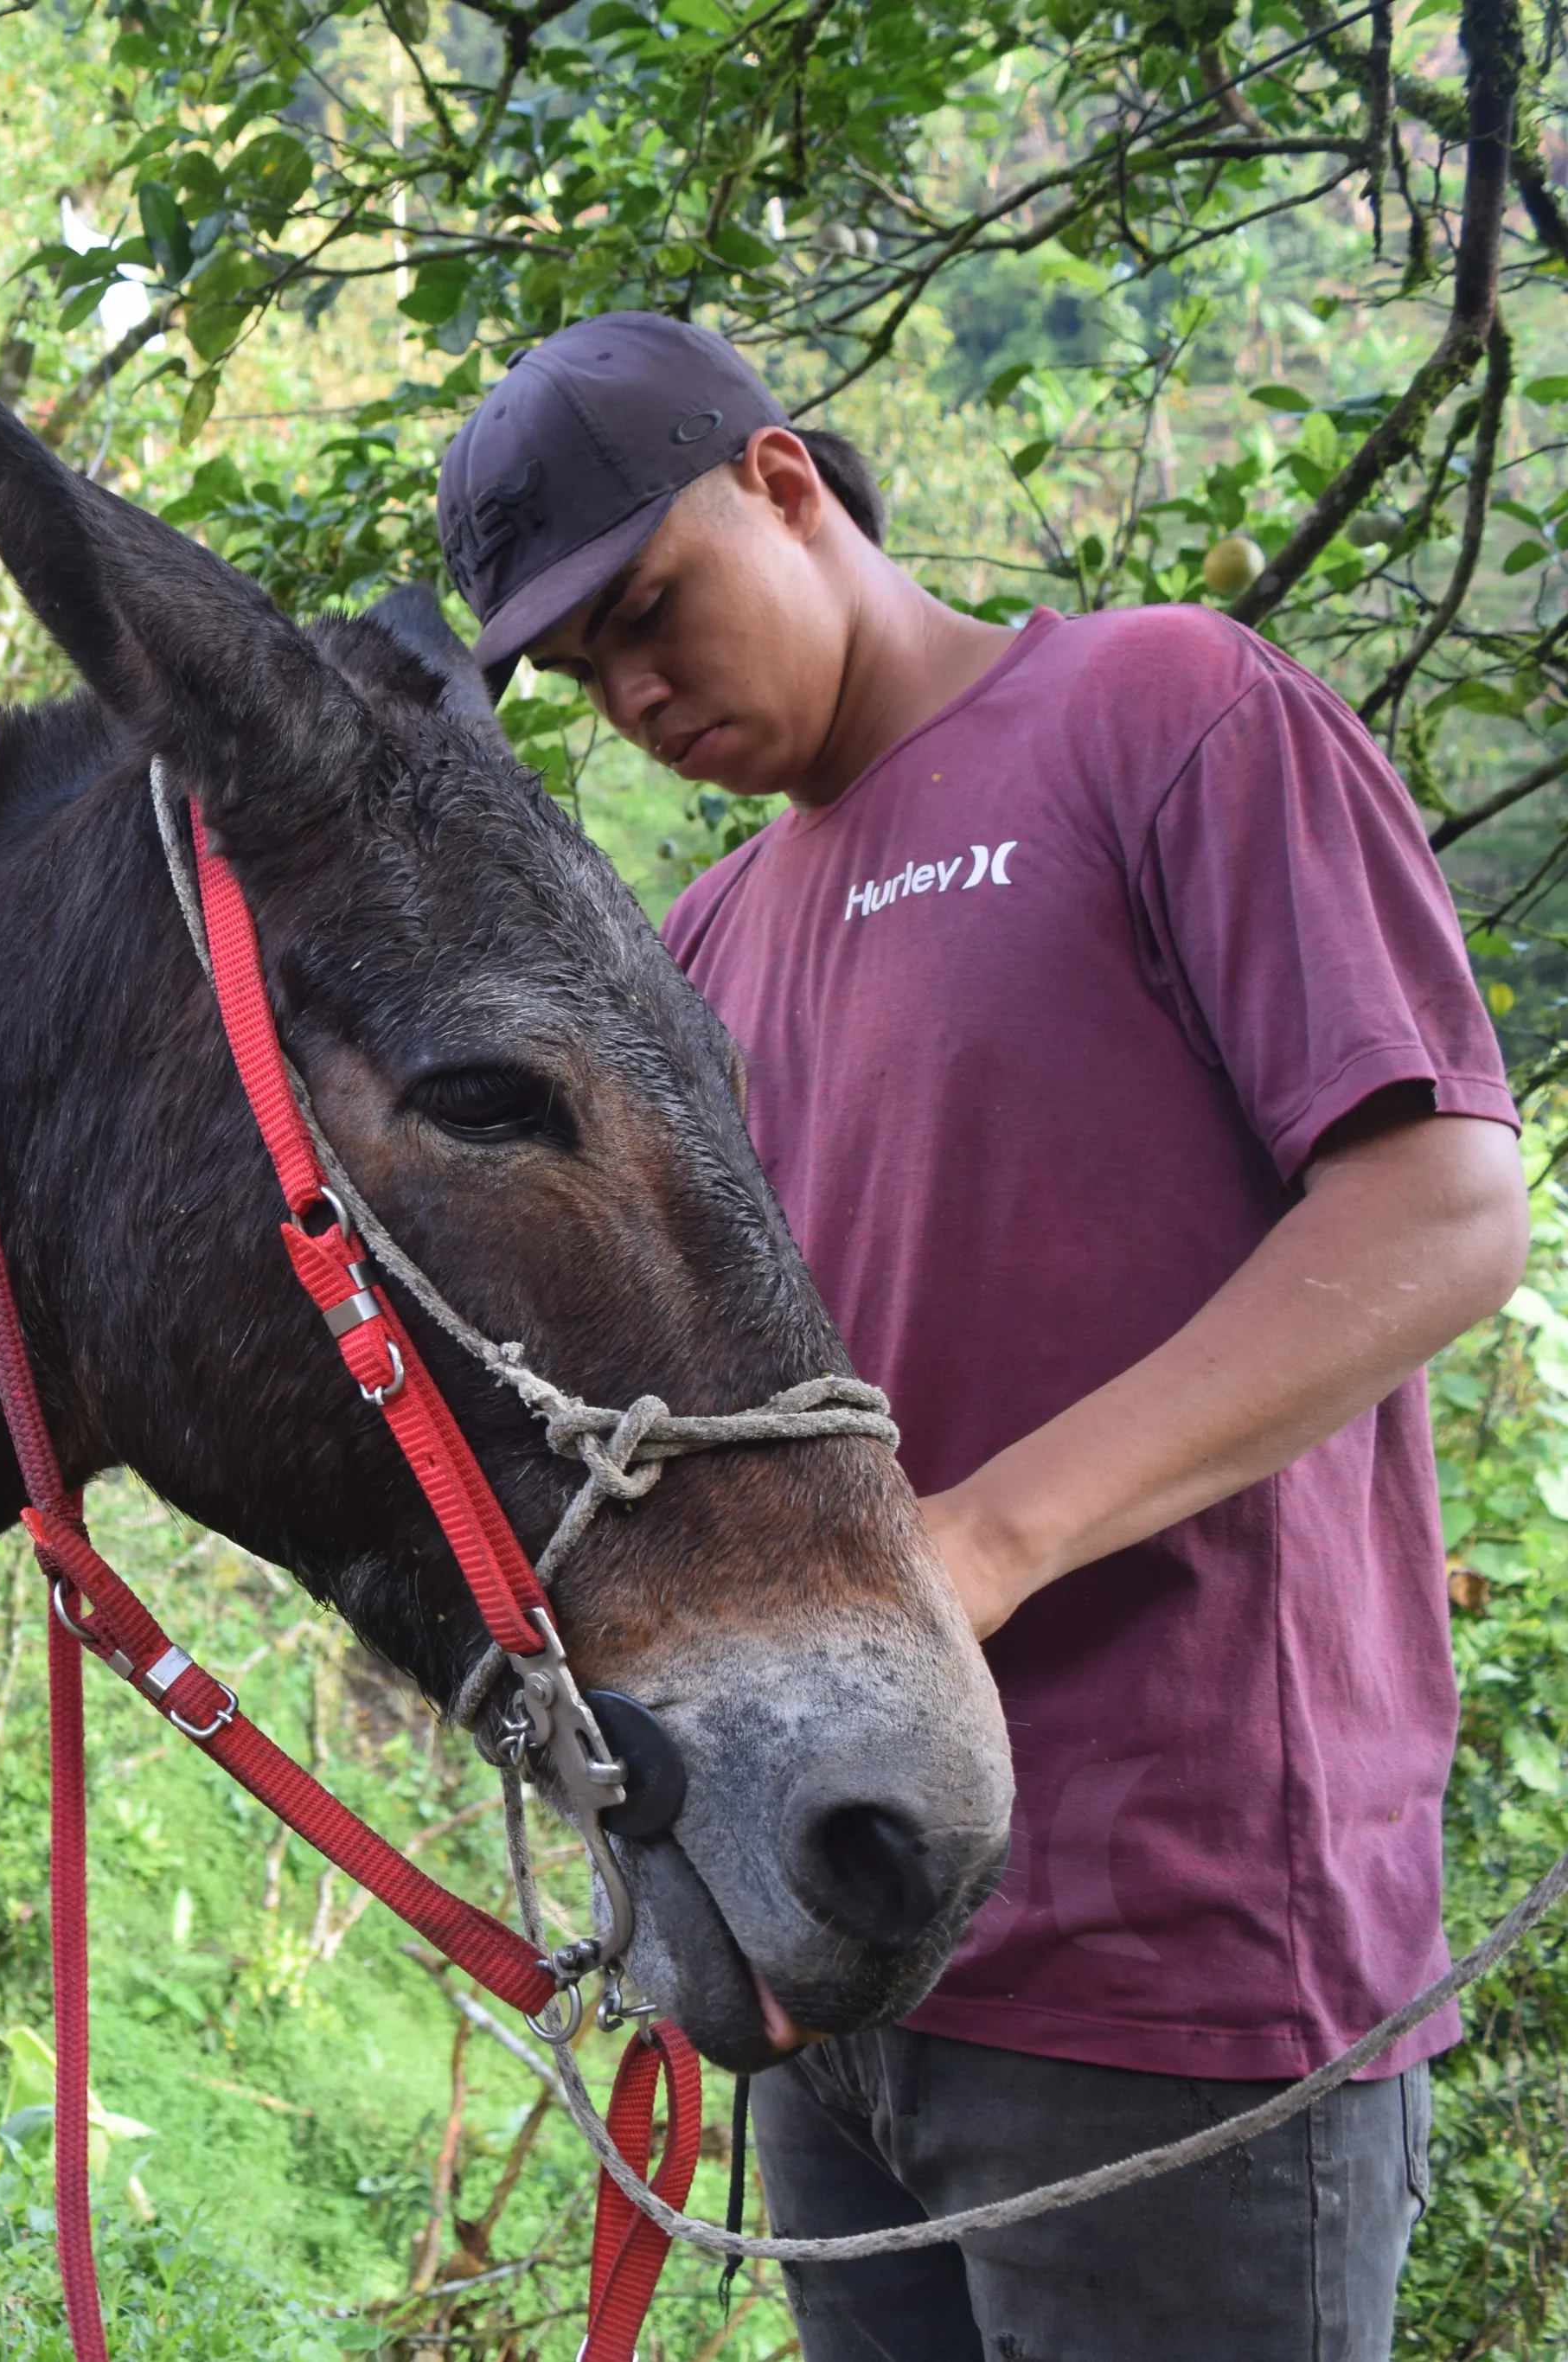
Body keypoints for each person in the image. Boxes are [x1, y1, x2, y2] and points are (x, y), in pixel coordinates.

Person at [437, 310, 1532, 2359]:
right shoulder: (699, 947)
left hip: (1175, 1965)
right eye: (580, 672)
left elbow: (1441, 1209)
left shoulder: (1160, 709)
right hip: (836, 1952)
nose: (635, 693)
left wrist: (985, 1540)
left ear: (780, 481)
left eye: (646, 611)